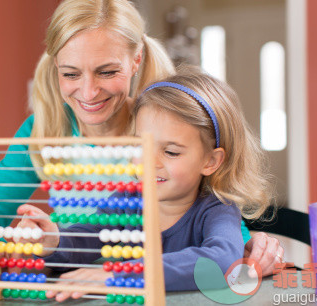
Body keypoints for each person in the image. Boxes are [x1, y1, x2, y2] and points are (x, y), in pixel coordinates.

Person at [0, 0, 283, 278]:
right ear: (56, 67)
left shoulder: (166, 123)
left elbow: (224, 251)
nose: (89, 92)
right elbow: (85, 238)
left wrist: (248, 246)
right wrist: (48, 241)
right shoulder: (129, 197)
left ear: (136, 60)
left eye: (107, 71)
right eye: (70, 73)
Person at [15, 67, 274, 300]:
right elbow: (81, 242)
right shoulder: (126, 203)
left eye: (171, 152)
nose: (150, 162)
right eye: (142, 145)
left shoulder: (217, 209)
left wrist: (124, 276)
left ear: (210, 160)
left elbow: (223, 261)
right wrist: (52, 241)